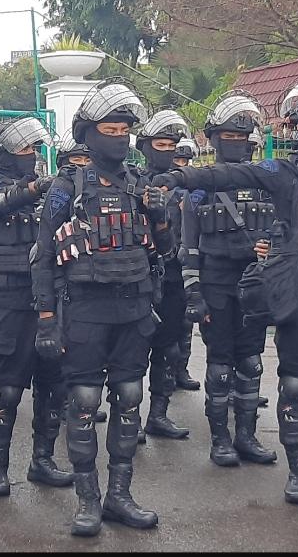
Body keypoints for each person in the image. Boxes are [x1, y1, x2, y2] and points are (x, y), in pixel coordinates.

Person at [151, 80, 298, 504]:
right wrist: (180, 175)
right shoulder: (282, 172)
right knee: (293, 382)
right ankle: (297, 473)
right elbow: (230, 172)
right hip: (295, 292)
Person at [32, 81, 174, 536]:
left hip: (134, 308)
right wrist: (47, 320)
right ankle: (88, 500)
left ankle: (119, 495)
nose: (118, 138)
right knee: (84, 401)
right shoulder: (66, 187)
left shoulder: (142, 185)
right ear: (88, 135)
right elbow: (43, 256)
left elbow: (165, 251)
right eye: (108, 130)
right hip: (85, 310)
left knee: (129, 398)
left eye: (123, 130)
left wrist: (161, 217)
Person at [0, 116, 75, 497]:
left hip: (49, 296)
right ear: (1, 154)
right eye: (22, 149)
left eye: (33, 148)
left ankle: (42, 460)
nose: (30, 155)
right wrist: (36, 187)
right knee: (9, 387)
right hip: (11, 300)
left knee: (54, 384)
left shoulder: (50, 191)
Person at [176, 93, 276, 467]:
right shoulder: (200, 186)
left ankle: (247, 437)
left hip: (254, 283)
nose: (235, 142)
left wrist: (273, 256)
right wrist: (193, 293)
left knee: (251, 362)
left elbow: (284, 231)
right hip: (215, 283)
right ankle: (220, 440)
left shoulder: (267, 183)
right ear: (215, 139)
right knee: (219, 366)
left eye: (241, 136)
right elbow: (188, 245)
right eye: (228, 136)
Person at [135, 110, 193, 440]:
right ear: (146, 146)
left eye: (172, 145)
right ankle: (129, 418)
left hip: (173, 276)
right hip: (140, 277)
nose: (167, 151)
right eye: (161, 144)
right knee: (132, 353)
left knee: (169, 349)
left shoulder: (183, 187)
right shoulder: (131, 183)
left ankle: (158, 414)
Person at [169, 138, 200, 391]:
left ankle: (182, 369)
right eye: (177, 160)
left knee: (186, 321)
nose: (182, 164)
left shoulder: (195, 187)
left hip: (186, 260)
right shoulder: (158, 185)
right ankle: (167, 372)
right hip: (165, 262)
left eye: (185, 161)